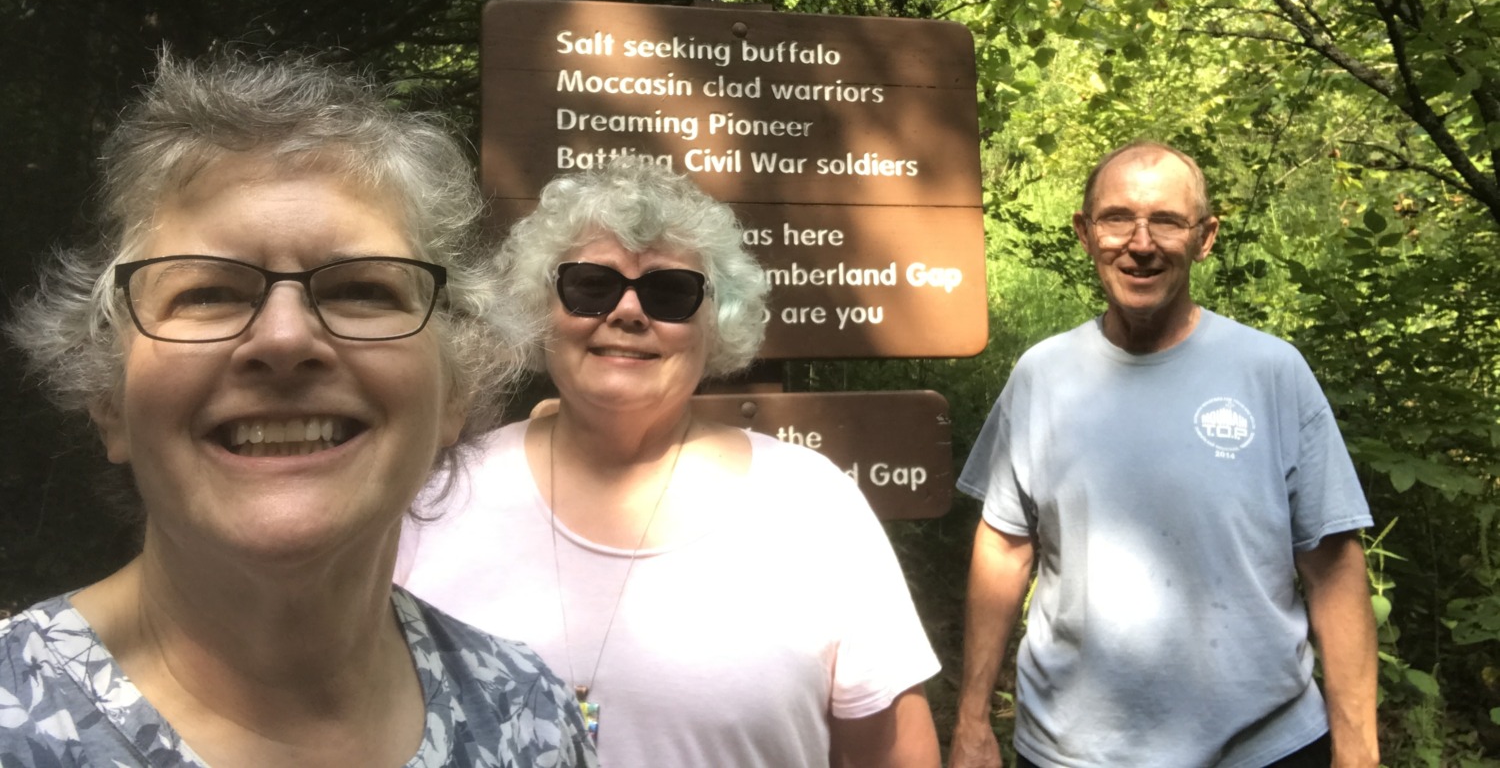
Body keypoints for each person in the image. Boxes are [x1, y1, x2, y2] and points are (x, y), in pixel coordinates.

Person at [1, 53, 596, 767]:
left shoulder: (528, 715)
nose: (285, 338)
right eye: (207, 292)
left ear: (457, 389)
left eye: (363, 289)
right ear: (108, 399)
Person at [398, 159, 942, 768]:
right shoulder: (434, 497)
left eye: (670, 293)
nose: (628, 312)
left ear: (717, 323)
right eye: (590, 285)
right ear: (540, 306)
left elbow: (894, 756)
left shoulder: (814, 505)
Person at [949, 141, 1379, 768]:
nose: (1141, 243)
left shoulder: (1270, 373)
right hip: (1072, 751)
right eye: (1118, 217)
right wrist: (970, 719)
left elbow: (1334, 568)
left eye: (1168, 221)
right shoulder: (1043, 376)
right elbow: (1005, 545)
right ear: (1085, 232)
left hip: (1264, 747)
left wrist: (1359, 748)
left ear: (1205, 237)